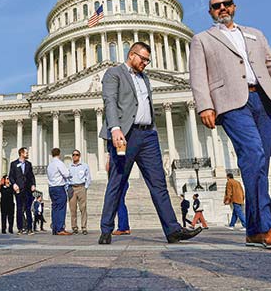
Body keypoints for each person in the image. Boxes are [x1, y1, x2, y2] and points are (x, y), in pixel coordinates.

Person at [189, 0, 271, 249]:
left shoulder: (255, 34)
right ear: (210, 11)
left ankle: (253, 230)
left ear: (234, 7)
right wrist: (205, 105)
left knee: (256, 164)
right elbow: (198, 75)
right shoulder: (202, 39)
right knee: (254, 154)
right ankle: (268, 226)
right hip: (231, 103)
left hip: (263, 99)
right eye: (217, 6)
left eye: (226, 4)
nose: (222, 8)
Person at [99, 42, 201, 245]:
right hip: (125, 135)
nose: (146, 63)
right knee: (117, 183)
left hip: (148, 136)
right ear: (131, 55)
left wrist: (152, 130)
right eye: (143, 59)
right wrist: (115, 128)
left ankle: (173, 230)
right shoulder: (114, 73)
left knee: (159, 184)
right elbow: (109, 101)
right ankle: (106, 229)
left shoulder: (145, 78)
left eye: (148, 60)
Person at [8, 147, 36, 235]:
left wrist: (33, 184)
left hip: (27, 189)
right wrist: (14, 184)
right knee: (19, 209)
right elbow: (11, 176)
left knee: (28, 209)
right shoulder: (14, 164)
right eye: (26, 153)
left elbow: (31, 176)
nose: (27, 154)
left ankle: (29, 228)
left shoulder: (28, 164)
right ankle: (20, 228)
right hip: (18, 189)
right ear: (21, 153)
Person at [47, 148, 72, 236]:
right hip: (59, 187)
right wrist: (69, 173)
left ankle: (55, 228)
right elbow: (66, 174)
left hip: (51, 188)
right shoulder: (59, 163)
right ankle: (60, 228)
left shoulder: (50, 165)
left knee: (55, 208)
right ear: (59, 154)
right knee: (61, 207)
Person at [106, 154, 130, 236]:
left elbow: (107, 168)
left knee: (119, 204)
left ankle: (122, 228)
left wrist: (109, 159)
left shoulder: (117, 160)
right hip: (123, 182)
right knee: (121, 204)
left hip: (119, 183)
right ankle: (125, 227)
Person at [68, 149, 91, 235]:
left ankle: (84, 227)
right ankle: (74, 227)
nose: (75, 156)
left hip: (81, 187)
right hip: (72, 188)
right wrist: (67, 187)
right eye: (73, 155)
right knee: (73, 209)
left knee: (83, 208)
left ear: (79, 156)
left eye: (77, 155)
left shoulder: (84, 166)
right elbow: (66, 178)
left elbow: (88, 177)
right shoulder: (69, 166)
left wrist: (85, 187)